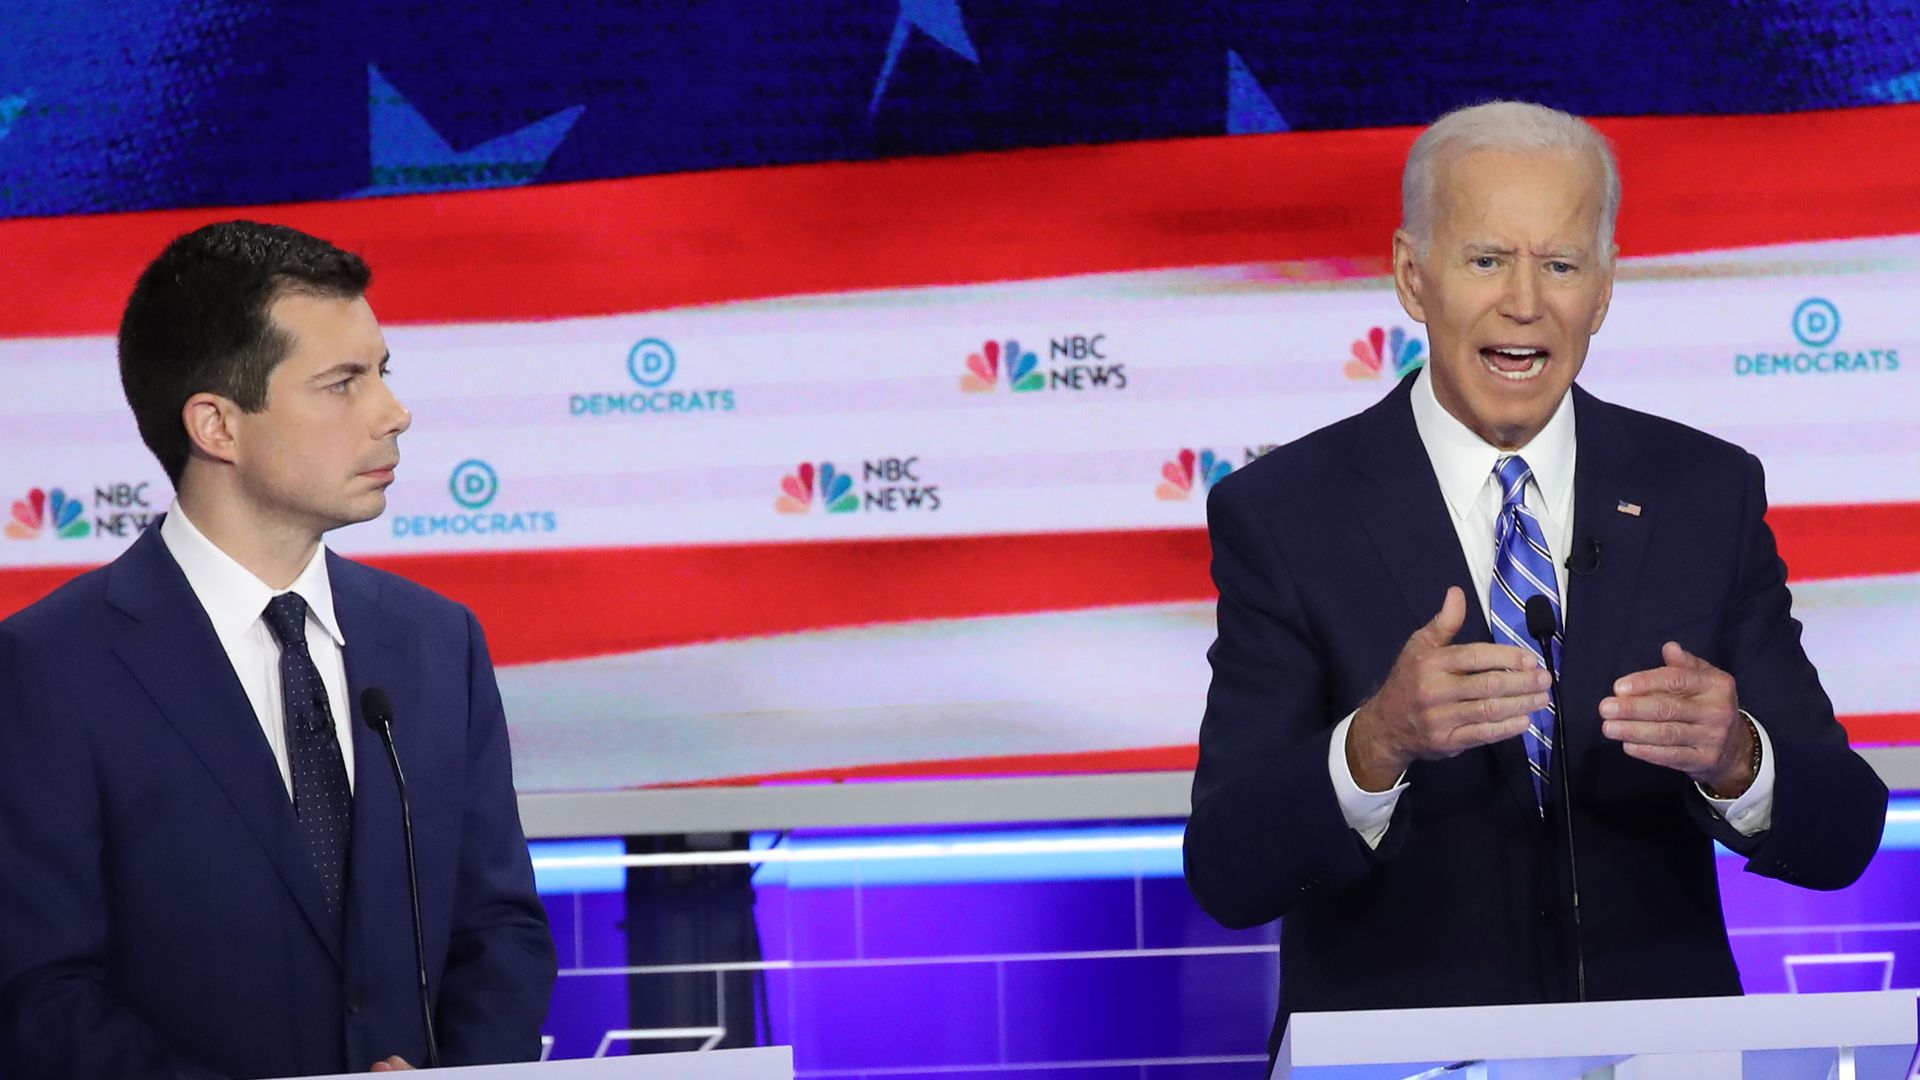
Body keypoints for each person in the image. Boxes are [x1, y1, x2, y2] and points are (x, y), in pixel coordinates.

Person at [1182, 102, 1886, 1055]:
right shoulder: (1288, 512)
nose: (1525, 303)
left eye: (1560, 265)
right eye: (1486, 260)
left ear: (1604, 290)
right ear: (1411, 275)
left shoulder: (1702, 493)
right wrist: (1377, 742)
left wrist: (1737, 758)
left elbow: (1843, 834)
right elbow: (1228, 870)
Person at [0, 221, 557, 1077]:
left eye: (383, 373)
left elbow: (499, 928)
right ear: (217, 426)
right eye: (342, 384)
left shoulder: (438, 642)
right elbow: (39, 991)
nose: (393, 414)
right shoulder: (47, 669)